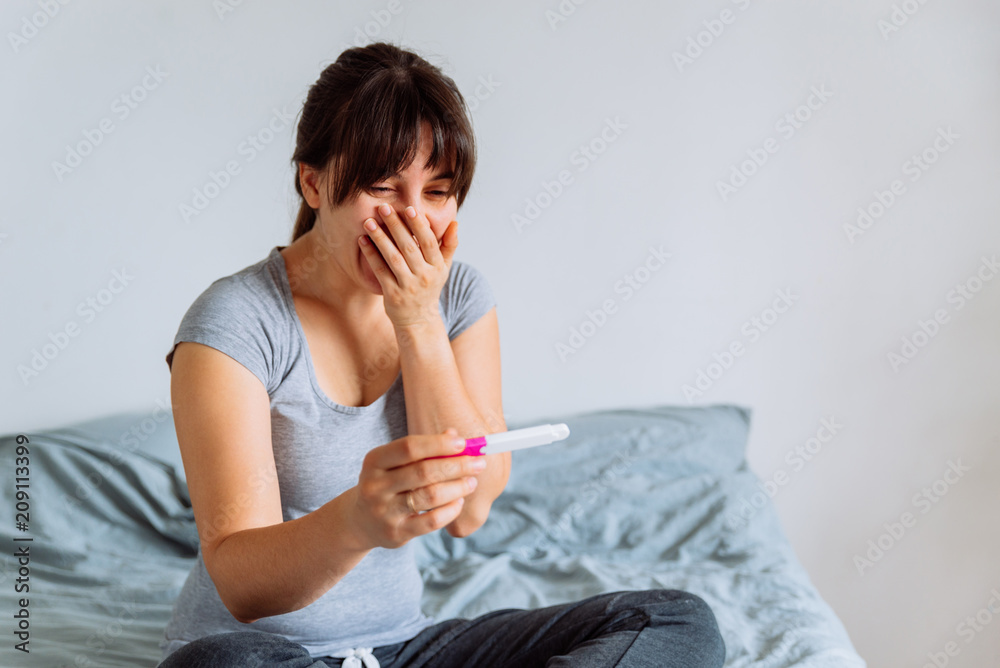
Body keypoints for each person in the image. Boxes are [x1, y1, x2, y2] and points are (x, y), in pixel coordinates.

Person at [157, 41, 726, 668]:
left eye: (437, 191)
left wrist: (418, 319)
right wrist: (357, 523)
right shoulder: (235, 323)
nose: (412, 221)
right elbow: (241, 586)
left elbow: (470, 511)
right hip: (266, 653)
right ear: (312, 181)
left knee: (676, 622)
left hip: (404, 648)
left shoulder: (457, 298)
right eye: (382, 187)